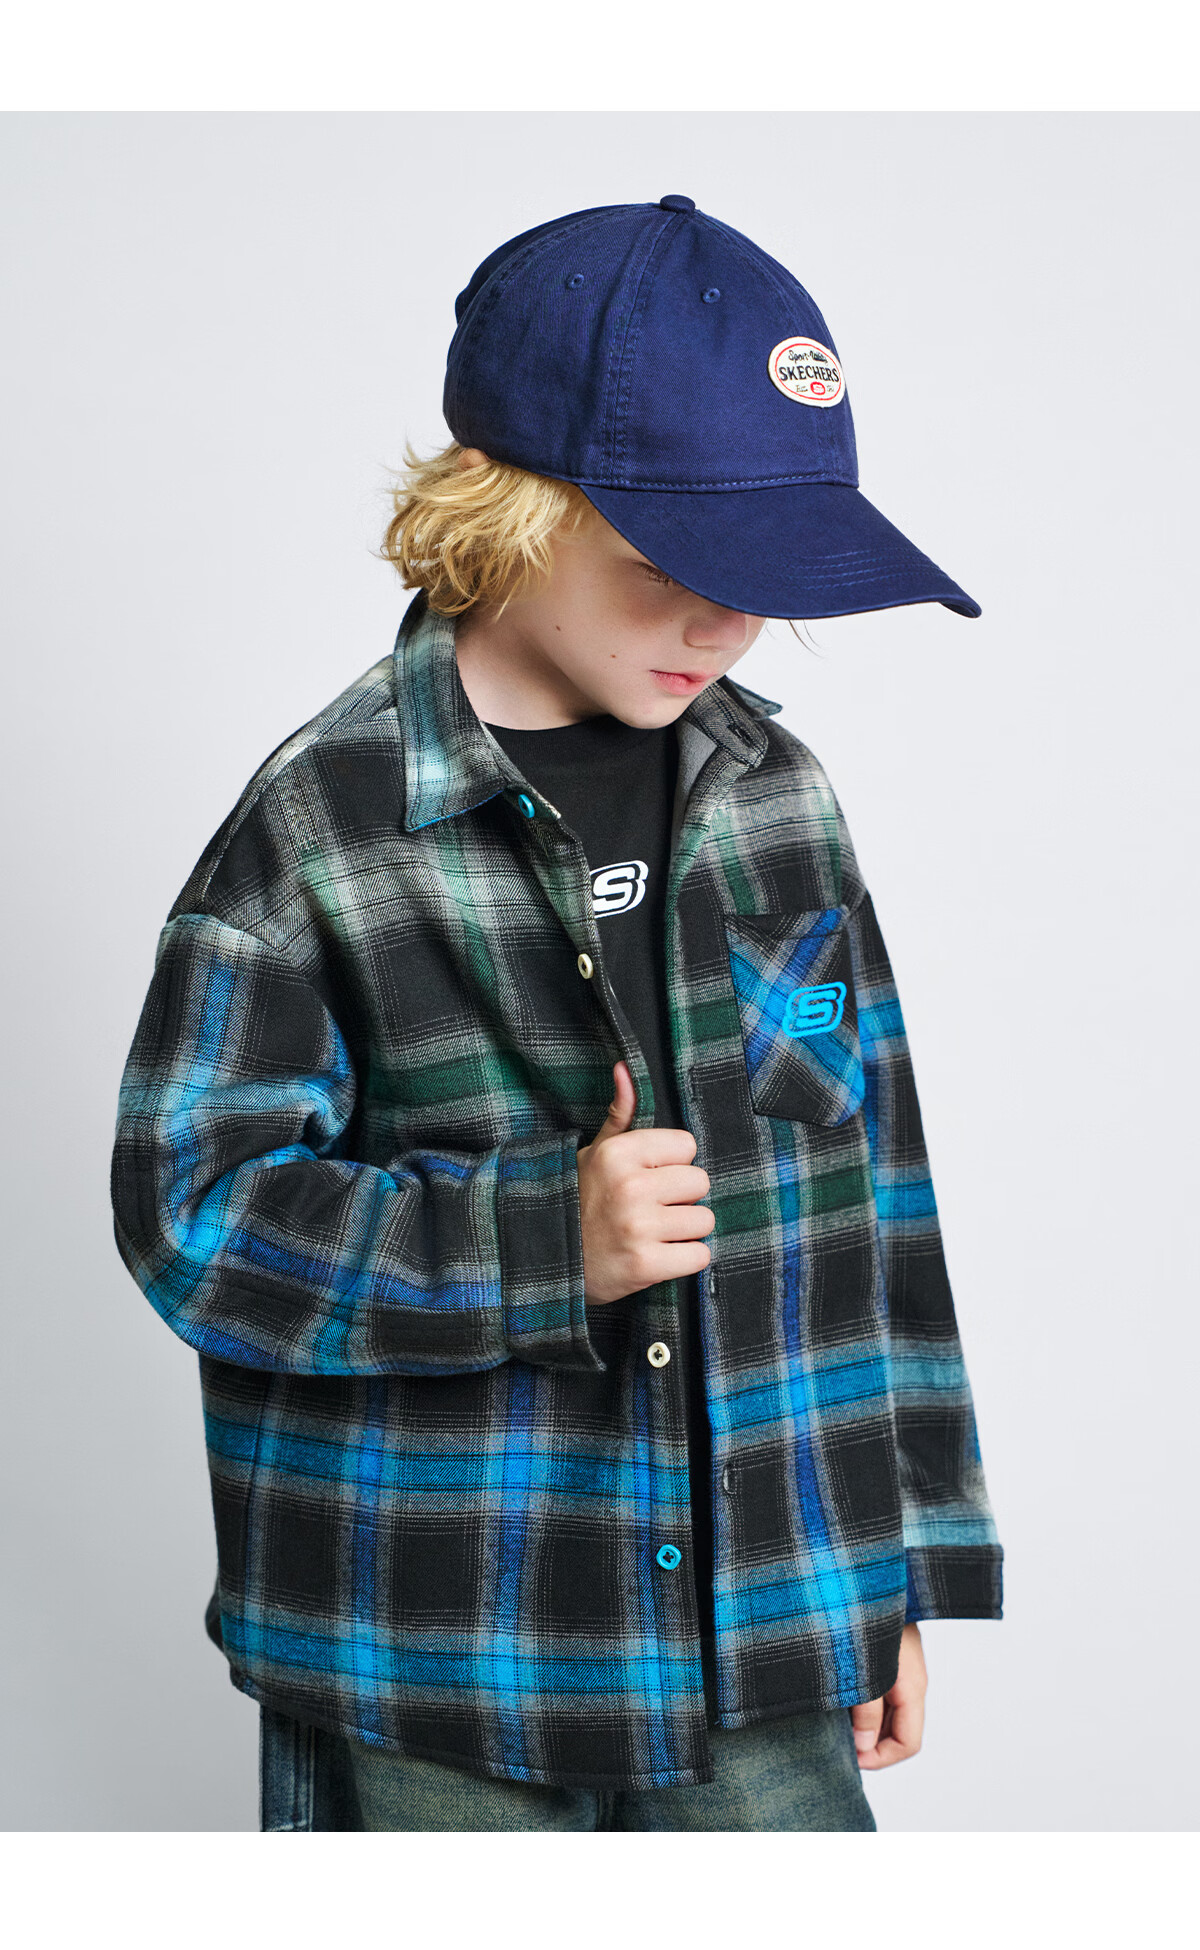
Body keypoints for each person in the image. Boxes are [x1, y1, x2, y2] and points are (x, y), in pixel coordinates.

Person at [110, 194, 1003, 1833]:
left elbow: (875, 1195)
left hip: (762, 1628)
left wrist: (893, 1561)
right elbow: (193, 1215)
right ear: (507, 514)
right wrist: (541, 1241)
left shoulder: (781, 799)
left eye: (765, 575)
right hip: (437, 1660)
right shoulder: (321, 828)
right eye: (671, 568)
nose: (724, 623)